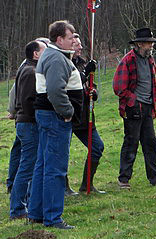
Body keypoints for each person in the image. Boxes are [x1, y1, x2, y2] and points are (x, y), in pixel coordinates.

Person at [28, 21, 82, 229]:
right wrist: (68, 112)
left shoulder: (52, 55)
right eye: (70, 38)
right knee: (55, 168)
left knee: (43, 164)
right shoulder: (57, 58)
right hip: (55, 118)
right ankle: (52, 217)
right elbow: (55, 91)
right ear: (59, 39)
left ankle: (36, 212)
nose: (73, 41)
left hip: (48, 116)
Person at [113, 27, 156, 189]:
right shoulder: (128, 61)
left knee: (151, 143)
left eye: (152, 43)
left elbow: (152, 84)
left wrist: (151, 104)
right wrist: (134, 101)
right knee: (131, 143)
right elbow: (118, 88)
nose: (151, 46)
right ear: (139, 44)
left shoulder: (149, 60)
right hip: (133, 108)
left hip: (147, 107)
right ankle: (124, 179)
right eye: (149, 43)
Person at [9, 40, 45, 220]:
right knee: (27, 167)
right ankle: (17, 209)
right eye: (44, 51)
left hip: (25, 122)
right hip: (29, 123)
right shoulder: (31, 72)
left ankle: (26, 205)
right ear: (36, 54)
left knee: (28, 165)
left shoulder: (29, 69)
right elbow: (28, 100)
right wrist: (38, 118)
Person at [70, 34, 105, 194]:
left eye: (80, 44)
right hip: (69, 116)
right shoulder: (65, 64)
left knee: (97, 147)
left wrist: (93, 91)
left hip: (85, 116)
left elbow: (87, 84)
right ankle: (63, 188)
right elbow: (72, 83)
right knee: (62, 153)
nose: (80, 47)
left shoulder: (83, 63)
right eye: (77, 44)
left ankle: (87, 185)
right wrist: (85, 72)